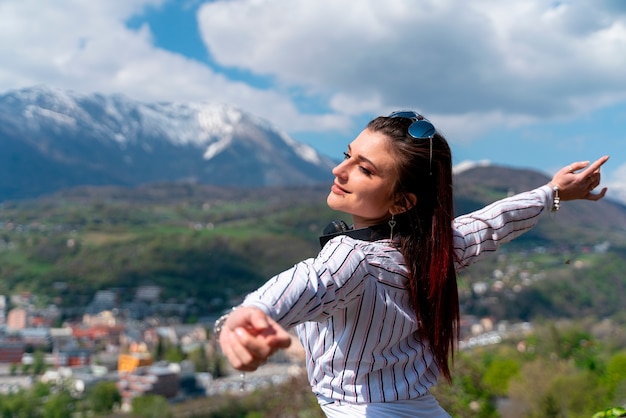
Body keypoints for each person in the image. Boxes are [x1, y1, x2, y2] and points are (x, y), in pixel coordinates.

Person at [215, 111, 609, 417]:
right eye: (347, 156)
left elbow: (313, 281)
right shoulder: (435, 247)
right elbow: (492, 224)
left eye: (364, 169)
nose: (339, 170)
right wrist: (553, 192)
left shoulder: (355, 257)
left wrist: (253, 311)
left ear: (403, 202)